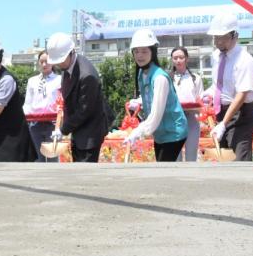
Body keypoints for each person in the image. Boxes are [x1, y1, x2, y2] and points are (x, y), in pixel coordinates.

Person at [203, 11, 253, 161]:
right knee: (222, 157)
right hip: (220, 111)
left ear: (235, 35)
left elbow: (242, 94)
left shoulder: (244, 60)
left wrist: (224, 123)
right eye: (216, 38)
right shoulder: (216, 56)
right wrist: (206, 95)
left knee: (239, 158)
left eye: (223, 37)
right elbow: (218, 84)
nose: (219, 42)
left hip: (240, 113)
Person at [124, 29, 187, 161]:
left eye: (144, 51)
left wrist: (138, 131)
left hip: (173, 132)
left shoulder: (160, 78)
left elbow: (156, 115)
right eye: (136, 51)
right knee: (161, 168)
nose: (139, 55)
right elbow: (149, 97)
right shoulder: (142, 74)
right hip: (160, 132)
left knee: (163, 169)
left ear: (153, 52)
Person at [46, 32, 109, 163]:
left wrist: (63, 129)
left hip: (90, 134)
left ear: (71, 52)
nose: (58, 64)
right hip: (78, 131)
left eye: (60, 60)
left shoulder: (86, 75)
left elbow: (84, 111)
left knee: (86, 176)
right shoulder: (67, 67)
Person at [22, 50, 62, 162]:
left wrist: (61, 125)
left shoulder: (59, 80)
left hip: (53, 124)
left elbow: (62, 103)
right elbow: (27, 103)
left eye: (47, 61)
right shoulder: (32, 81)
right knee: (36, 159)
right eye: (41, 61)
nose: (44, 64)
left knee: (52, 158)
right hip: (35, 124)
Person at [169, 46, 203, 161]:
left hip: (191, 119)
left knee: (191, 155)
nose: (178, 60)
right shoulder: (167, 79)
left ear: (186, 59)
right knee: (175, 156)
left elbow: (200, 100)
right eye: (175, 58)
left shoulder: (195, 78)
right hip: (173, 120)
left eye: (181, 57)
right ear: (172, 60)